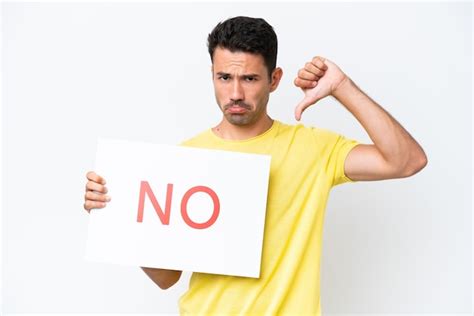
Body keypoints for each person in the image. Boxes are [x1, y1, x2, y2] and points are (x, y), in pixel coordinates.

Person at [83, 16, 427, 315]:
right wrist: (119, 217)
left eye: (249, 79)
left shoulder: (313, 148)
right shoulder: (186, 158)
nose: (235, 93)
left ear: (274, 79)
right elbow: (165, 277)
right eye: (223, 78)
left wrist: (342, 87)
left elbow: (407, 160)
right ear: (212, 75)